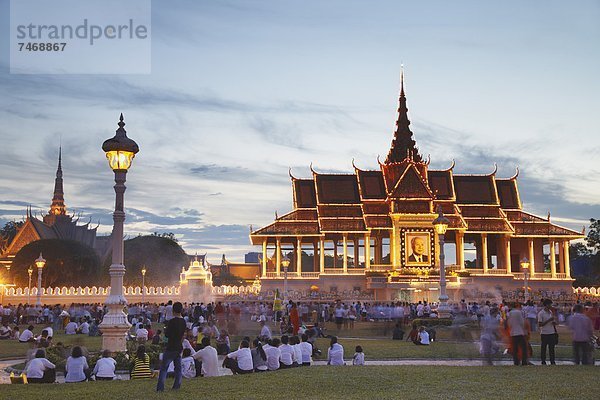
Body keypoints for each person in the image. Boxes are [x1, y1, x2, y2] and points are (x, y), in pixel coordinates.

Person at [157, 301, 187, 392]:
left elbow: (167, 335)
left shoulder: (171, 322)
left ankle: (160, 387)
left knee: (164, 368)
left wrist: (165, 330)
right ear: (181, 310)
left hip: (171, 347)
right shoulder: (183, 321)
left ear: (173, 311)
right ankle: (177, 386)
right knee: (178, 368)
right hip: (179, 347)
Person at [538, 299, 557, 365]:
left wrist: (554, 323)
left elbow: (552, 321)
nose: (551, 306)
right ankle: (543, 360)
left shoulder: (550, 312)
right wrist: (549, 320)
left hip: (551, 332)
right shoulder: (541, 313)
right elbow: (540, 324)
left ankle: (552, 361)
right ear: (546, 305)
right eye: (550, 304)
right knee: (543, 348)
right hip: (544, 333)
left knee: (552, 348)